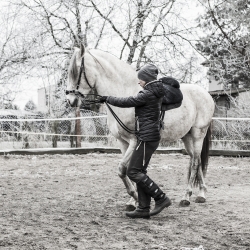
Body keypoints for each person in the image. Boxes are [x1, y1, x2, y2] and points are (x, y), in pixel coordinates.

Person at [100, 64, 171, 219]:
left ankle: (160, 197)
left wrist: (108, 98)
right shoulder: (153, 91)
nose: (139, 82)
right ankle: (143, 208)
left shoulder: (148, 94)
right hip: (147, 136)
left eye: (141, 79)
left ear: (146, 79)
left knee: (132, 171)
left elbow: (129, 101)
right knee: (140, 172)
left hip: (147, 138)